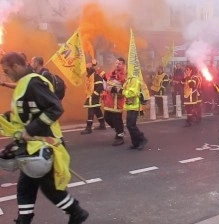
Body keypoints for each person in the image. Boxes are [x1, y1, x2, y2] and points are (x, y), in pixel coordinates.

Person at [0, 52, 88, 224]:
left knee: (50, 189)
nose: (5, 74)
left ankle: (77, 212)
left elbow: (55, 108)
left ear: (16, 66)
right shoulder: (23, 84)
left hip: (46, 145)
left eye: (6, 70)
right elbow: (25, 114)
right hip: (34, 145)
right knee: (26, 186)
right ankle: (24, 219)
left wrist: (30, 131)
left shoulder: (33, 82)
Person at [102, 57, 127, 146]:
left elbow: (125, 90)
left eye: (119, 63)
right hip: (109, 102)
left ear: (123, 65)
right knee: (107, 118)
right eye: (116, 63)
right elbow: (105, 79)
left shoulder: (124, 76)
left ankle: (120, 137)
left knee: (117, 119)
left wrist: (115, 89)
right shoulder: (111, 74)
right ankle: (119, 130)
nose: (117, 65)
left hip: (117, 102)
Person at [123, 73, 150, 150]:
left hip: (134, 105)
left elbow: (132, 93)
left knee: (131, 124)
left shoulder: (134, 79)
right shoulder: (128, 80)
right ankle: (135, 143)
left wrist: (121, 91)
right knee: (129, 125)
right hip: (129, 105)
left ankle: (142, 139)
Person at [80, 62, 106, 134]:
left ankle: (88, 128)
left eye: (88, 67)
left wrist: (94, 94)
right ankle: (102, 124)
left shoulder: (95, 75)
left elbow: (100, 86)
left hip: (93, 96)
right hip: (91, 96)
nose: (87, 69)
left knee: (91, 109)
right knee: (97, 109)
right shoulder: (90, 76)